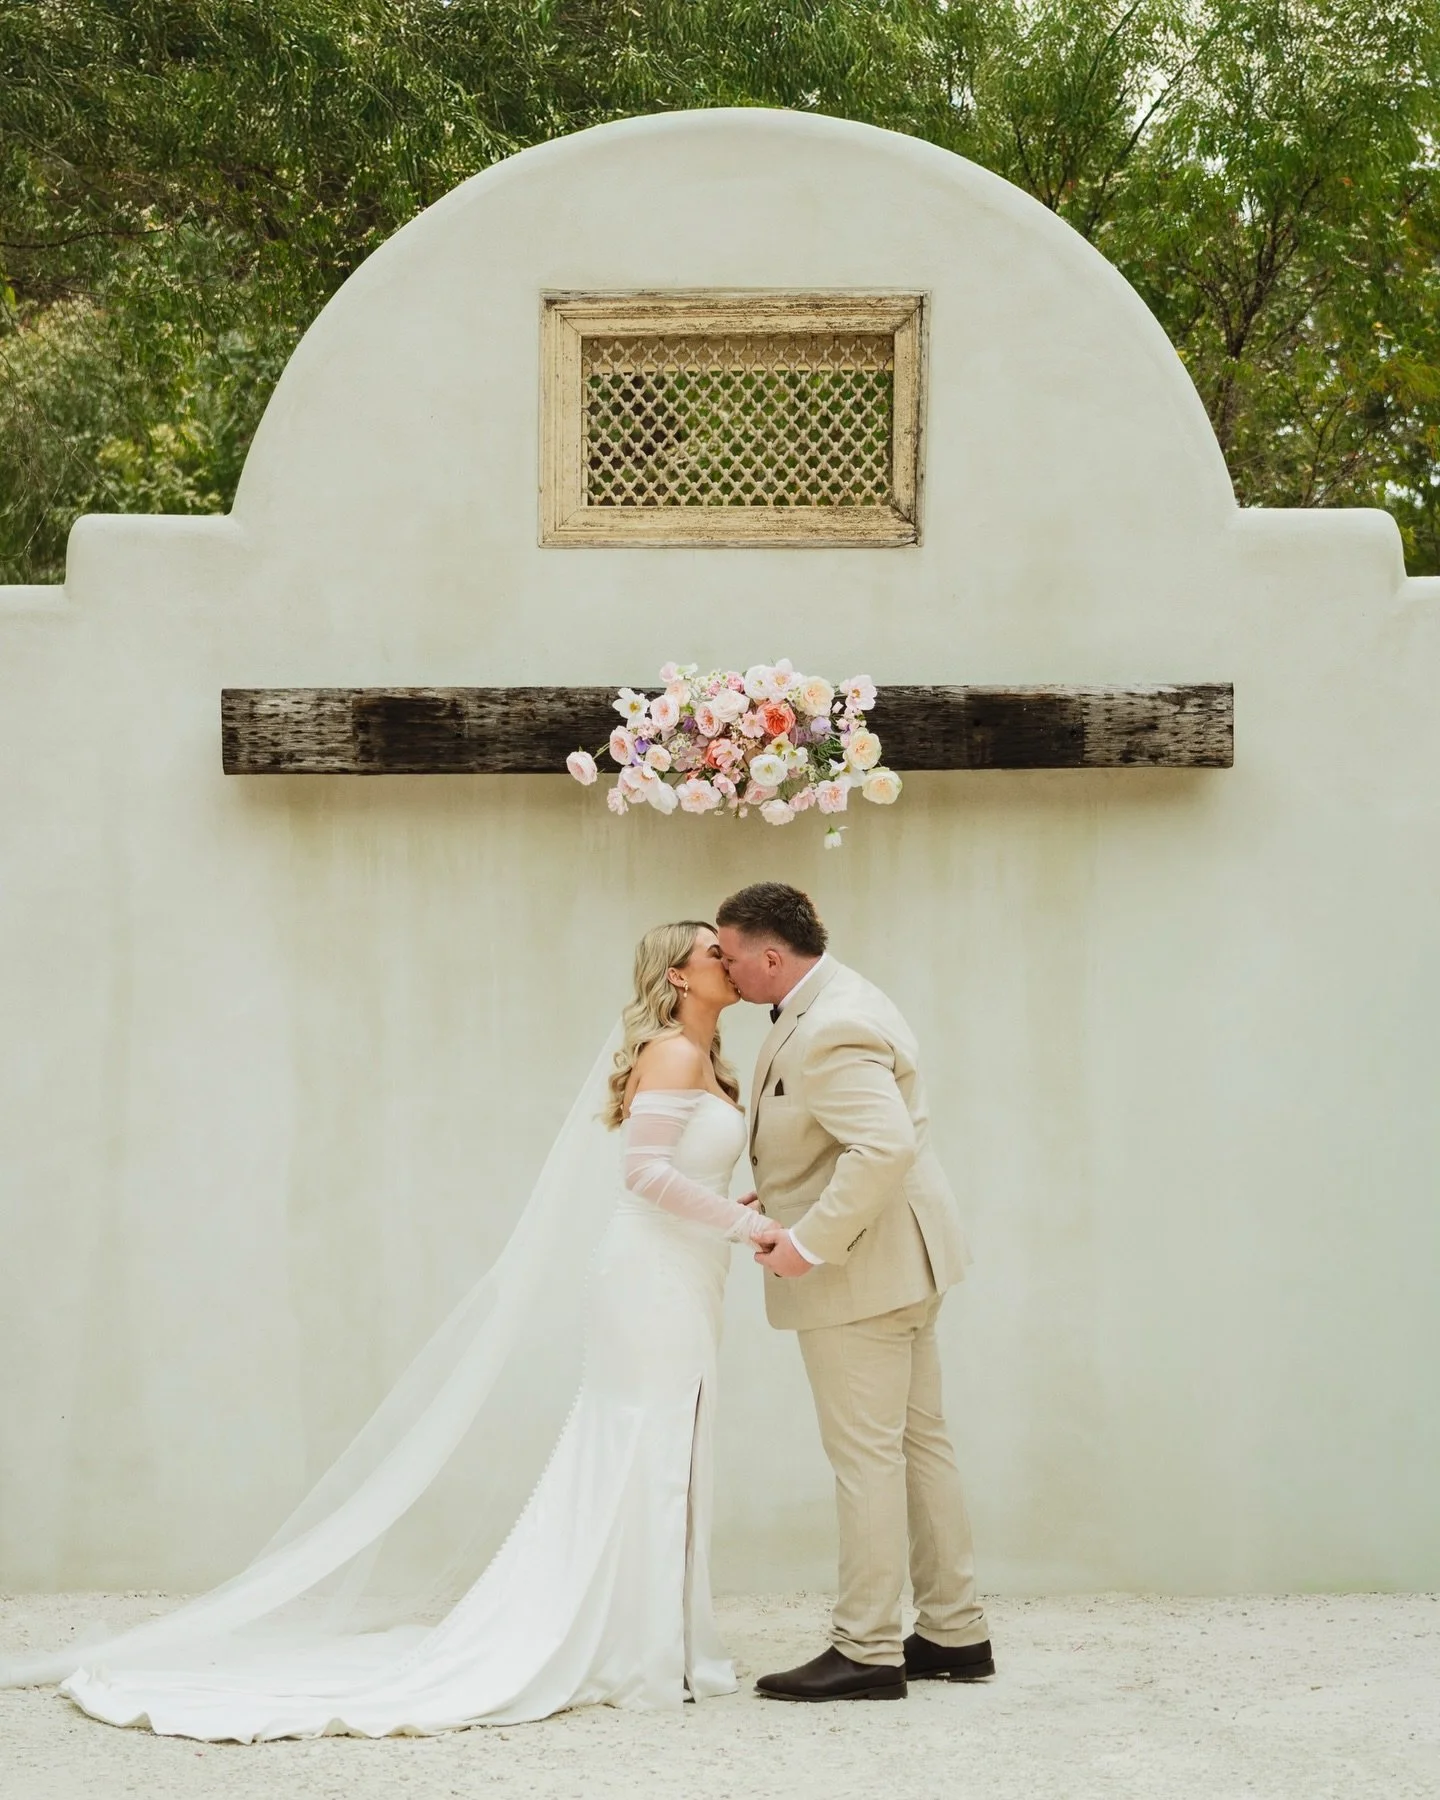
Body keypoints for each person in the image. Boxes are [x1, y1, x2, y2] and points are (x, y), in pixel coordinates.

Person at [4, 922, 769, 1739]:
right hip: (649, 1276)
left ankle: (656, 1635)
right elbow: (644, 1176)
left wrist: (739, 1214)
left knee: (668, 1441)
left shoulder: (708, 1059)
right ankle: (635, 1645)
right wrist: (741, 1225)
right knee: (643, 1443)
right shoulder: (673, 1055)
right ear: (679, 978)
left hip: (688, 1272)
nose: (727, 959)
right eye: (711, 952)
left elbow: (686, 1170)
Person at [715, 881, 994, 1702]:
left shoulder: (830, 1025)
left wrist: (806, 1241)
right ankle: (954, 1630)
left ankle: (867, 1648)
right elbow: (840, 1140)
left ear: (771, 955)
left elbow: (880, 1148)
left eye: (732, 958)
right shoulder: (841, 995)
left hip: (864, 1272)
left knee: (866, 1458)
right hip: (905, 1258)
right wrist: (784, 1196)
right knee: (919, 1445)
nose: (727, 974)